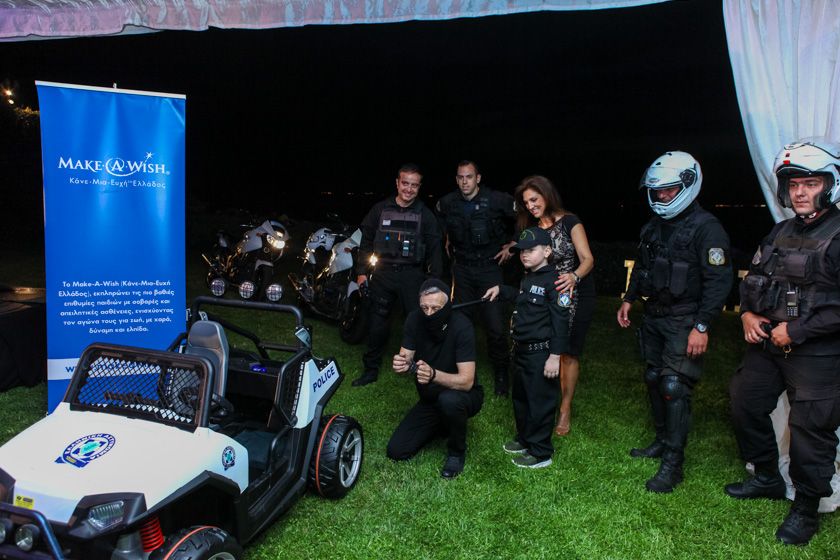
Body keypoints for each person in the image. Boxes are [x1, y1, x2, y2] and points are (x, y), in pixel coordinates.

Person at [724, 138, 840, 546]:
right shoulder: (781, 230)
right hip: (769, 342)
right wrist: (747, 313)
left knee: (811, 431)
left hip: (818, 352)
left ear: (831, 184)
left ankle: (806, 507)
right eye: (793, 185)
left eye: (810, 183)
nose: (800, 192)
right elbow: (755, 279)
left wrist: (796, 331)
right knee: (745, 403)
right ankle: (768, 477)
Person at [617, 151, 732, 494]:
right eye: (658, 190)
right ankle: (661, 440)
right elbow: (642, 266)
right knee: (654, 378)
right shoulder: (654, 225)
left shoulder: (707, 228)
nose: (662, 196)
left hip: (686, 319)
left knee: (673, 386)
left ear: (688, 185)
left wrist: (703, 326)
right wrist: (628, 298)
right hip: (655, 315)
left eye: (669, 189)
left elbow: (719, 281)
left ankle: (673, 464)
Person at [514, 175, 595, 435]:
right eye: (526, 202)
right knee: (544, 347)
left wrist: (574, 277)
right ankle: (537, 407)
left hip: (575, 293)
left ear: (547, 195)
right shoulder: (535, 228)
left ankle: (565, 408)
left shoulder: (570, 221)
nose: (530, 206)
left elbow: (588, 259)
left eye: (534, 199)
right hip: (544, 294)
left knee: (567, 352)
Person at [484, 227, 570, 469]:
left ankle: (541, 452)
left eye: (531, 250)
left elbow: (561, 322)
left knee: (540, 403)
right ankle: (525, 439)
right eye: (522, 251)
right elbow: (523, 296)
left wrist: (555, 356)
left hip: (541, 354)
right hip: (522, 351)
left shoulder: (556, 282)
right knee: (521, 399)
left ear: (547, 251)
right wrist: (501, 290)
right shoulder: (529, 277)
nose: (524, 255)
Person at [353, 163, 443, 387]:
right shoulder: (380, 209)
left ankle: (422, 371)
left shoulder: (425, 215)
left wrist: (432, 283)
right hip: (382, 275)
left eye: (414, 185)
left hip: (412, 277)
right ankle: (370, 370)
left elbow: (435, 251)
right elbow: (365, 243)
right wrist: (361, 273)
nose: (409, 189)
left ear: (419, 187)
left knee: (419, 324)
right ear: (397, 183)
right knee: (377, 325)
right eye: (405, 183)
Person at [435, 160, 517, 396]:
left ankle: (501, 372)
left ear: (478, 178)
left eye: (469, 177)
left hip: (489, 269)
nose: (464, 182)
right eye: (461, 177)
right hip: (462, 271)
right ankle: (457, 368)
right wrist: (447, 237)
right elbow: (438, 216)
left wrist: (514, 244)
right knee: (458, 321)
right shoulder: (448, 201)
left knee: (494, 325)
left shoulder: (496, 199)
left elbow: (523, 214)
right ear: (456, 179)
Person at [387, 278, 484, 479]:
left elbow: (467, 381)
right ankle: (442, 423)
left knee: (449, 401)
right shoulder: (414, 319)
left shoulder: (461, 326)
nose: (429, 314)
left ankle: (456, 453)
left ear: (447, 306)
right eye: (425, 308)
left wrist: (433, 375)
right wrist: (402, 367)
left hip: (463, 395)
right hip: (431, 399)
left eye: (435, 308)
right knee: (396, 451)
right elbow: (406, 362)